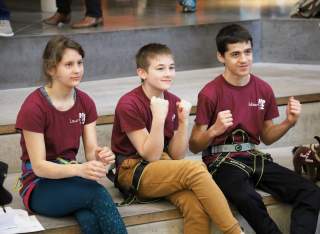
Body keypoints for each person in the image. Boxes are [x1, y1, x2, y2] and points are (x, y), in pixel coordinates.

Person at [189, 23, 320, 234]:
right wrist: (214, 130)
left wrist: (289, 122)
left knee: (310, 192)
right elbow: (194, 145)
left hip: (253, 157)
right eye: (235, 54)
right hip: (221, 163)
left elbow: (267, 136)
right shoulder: (210, 93)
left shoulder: (263, 88)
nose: (244, 59)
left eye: (248, 52)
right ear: (221, 57)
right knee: (247, 197)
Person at [111, 43, 243, 234]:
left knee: (195, 205)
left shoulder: (173, 100)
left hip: (163, 166)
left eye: (171, 67)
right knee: (195, 167)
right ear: (142, 73)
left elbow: (177, 155)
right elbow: (150, 156)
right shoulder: (128, 104)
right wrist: (158, 118)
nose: (168, 73)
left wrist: (183, 123)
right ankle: (235, 232)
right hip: (131, 171)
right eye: (160, 68)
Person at [15, 36, 127, 234]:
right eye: (68, 64)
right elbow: (39, 167)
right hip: (38, 185)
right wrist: (80, 170)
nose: (77, 69)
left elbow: (91, 152)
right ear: (51, 69)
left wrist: (100, 156)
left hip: (69, 178)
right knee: (97, 194)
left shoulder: (85, 102)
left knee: (89, 217)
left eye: (79, 63)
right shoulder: (33, 107)